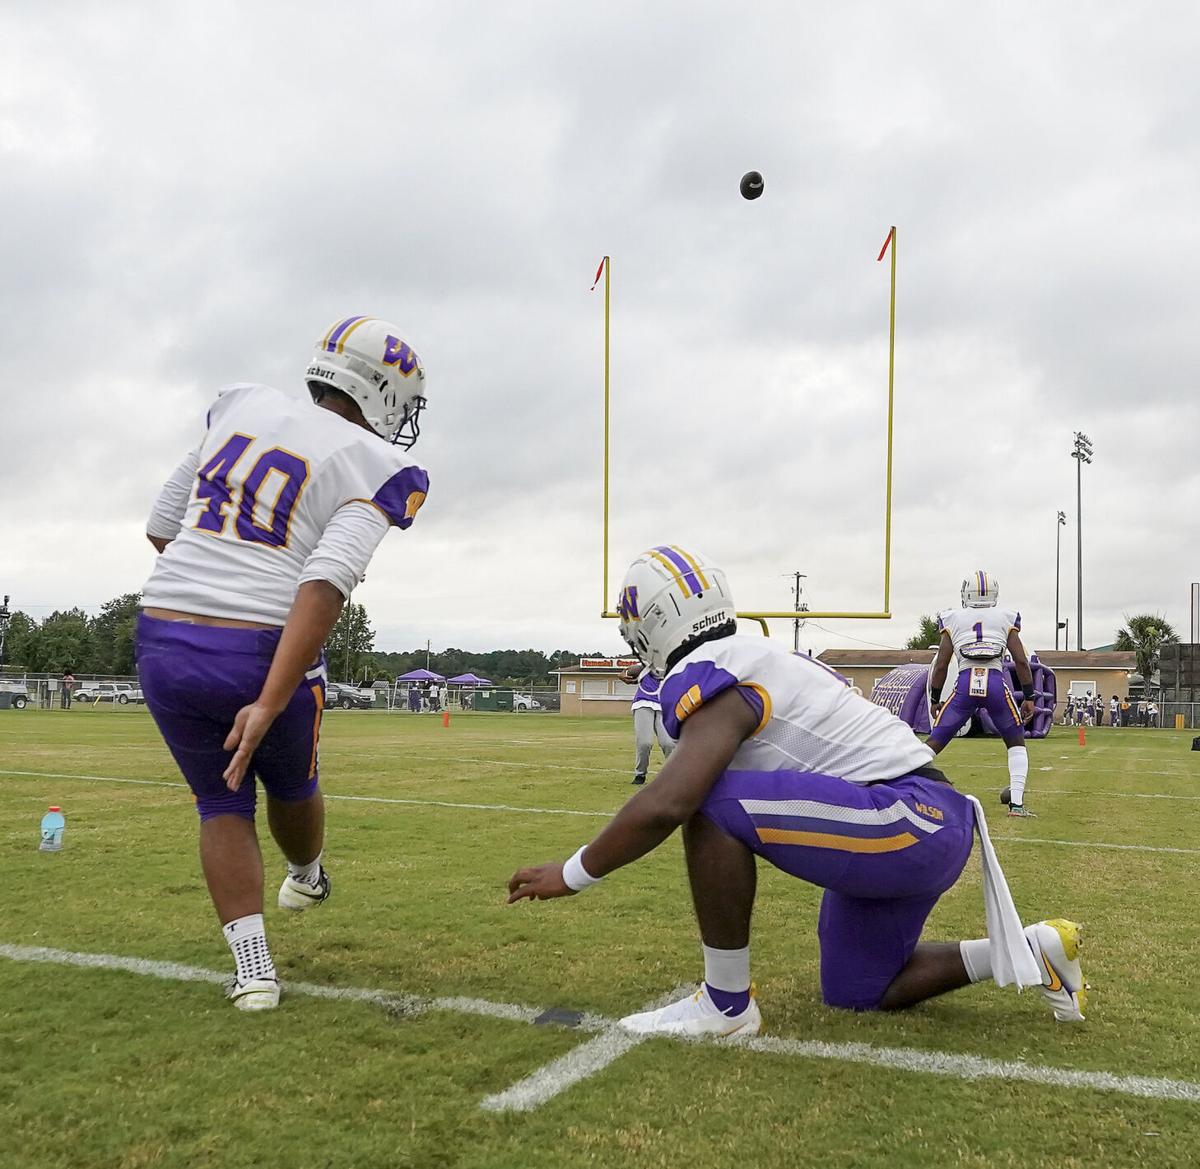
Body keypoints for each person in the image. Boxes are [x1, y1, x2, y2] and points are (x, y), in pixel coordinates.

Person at [507, 547, 1086, 1037]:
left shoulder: (716, 667)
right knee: (858, 989)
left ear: (652, 623)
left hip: (907, 817)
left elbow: (671, 802)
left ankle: (725, 1006)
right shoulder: (758, 655)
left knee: (709, 800)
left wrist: (574, 872)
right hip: (922, 821)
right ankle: (1032, 951)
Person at [137, 316, 430, 1011]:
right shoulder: (375, 461)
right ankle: (307, 873)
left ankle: (255, 973)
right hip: (260, 645)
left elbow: (161, 523)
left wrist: (212, 594)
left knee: (220, 802)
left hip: (163, 636)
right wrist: (268, 695)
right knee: (293, 784)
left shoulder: (241, 405)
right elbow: (326, 582)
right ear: (386, 393)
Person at [926, 573, 1038, 818]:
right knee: (1016, 742)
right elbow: (1020, 660)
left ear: (966, 594)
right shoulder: (1006, 617)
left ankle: (902, 785)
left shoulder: (953, 618)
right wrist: (1029, 696)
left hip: (965, 682)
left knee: (936, 740)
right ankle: (1016, 805)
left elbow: (941, 665)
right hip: (995, 683)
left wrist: (935, 698)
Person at [621, 662, 674, 785]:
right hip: (643, 703)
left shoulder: (673, 666)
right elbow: (628, 671)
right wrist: (623, 674)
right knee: (644, 743)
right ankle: (640, 774)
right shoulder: (646, 665)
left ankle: (674, 774)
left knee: (668, 743)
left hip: (663, 705)